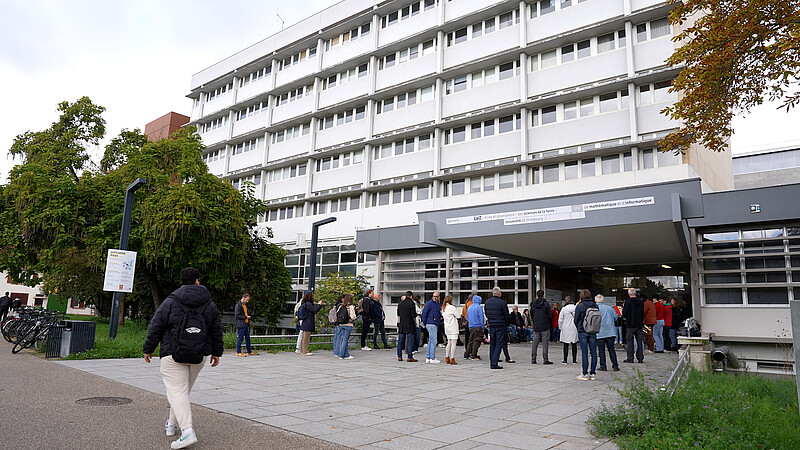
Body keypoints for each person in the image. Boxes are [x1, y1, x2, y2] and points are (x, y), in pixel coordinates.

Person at [143, 267, 224, 449]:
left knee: (177, 391)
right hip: (200, 353)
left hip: (172, 352)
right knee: (182, 392)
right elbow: (216, 329)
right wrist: (216, 352)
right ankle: (171, 424)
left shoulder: (171, 301)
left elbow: (156, 325)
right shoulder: (209, 303)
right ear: (197, 281)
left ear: (182, 281)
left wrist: (149, 348)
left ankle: (187, 431)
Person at [574, 289, 598, 381]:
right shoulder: (595, 305)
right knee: (593, 352)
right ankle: (592, 373)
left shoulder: (580, 306)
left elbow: (576, 319)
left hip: (582, 331)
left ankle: (584, 373)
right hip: (592, 331)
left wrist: (579, 327)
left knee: (584, 352)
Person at [484, 287, 510, 369]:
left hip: (491, 325)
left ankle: (492, 360)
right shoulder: (502, 303)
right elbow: (506, 315)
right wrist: (506, 323)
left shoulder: (487, 302)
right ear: (499, 293)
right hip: (501, 325)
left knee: (493, 343)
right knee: (499, 343)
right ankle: (494, 363)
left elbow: (486, 313)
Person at [595, 294, 620, 372]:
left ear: (595, 300)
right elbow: (616, 317)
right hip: (610, 332)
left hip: (600, 332)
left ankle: (603, 366)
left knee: (601, 350)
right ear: (603, 300)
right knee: (611, 349)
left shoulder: (595, 309)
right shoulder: (610, 308)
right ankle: (615, 365)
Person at [622, 288, 645, 363]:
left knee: (630, 341)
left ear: (629, 294)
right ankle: (640, 357)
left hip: (630, 324)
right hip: (639, 324)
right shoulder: (641, 302)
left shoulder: (628, 302)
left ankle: (630, 357)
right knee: (639, 341)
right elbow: (642, 313)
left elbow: (624, 313)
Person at [530, 290, 553, 365]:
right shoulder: (546, 304)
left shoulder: (533, 304)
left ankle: (533, 359)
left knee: (535, 342)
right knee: (545, 343)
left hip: (536, 325)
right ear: (543, 295)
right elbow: (550, 315)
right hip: (545, 325)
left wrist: (535, 321)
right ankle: (545, 359)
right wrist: (549, 322)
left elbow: (532, 314)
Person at [298, 290, 323, 355]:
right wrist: (319, 305)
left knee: (304, 337)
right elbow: (314, 310)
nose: (313, 297)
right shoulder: (308, 304)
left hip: (305, 322)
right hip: (308, 322)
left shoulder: (305, 303)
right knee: (306, 338)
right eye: (312, 296)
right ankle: (305, 351)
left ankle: (302, 350)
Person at [396, 291, 418, 362]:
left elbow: (398, 313)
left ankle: (399, 356)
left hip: (402, 324)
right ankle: (409, 356)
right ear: (411, 296)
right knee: (410, 341)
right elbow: (413, 315)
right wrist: (417, 314)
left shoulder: (400, 303)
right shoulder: (411, 303)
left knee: (400, 341)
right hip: (410, 324)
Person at [334, 294, 357, 360]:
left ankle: (346, 355)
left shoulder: (341, 306)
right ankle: (341, 355)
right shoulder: (351, 306)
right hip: (348, 325)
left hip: (341, 324)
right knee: (345, 340)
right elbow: (353, 316)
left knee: (343, 340)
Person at [421, 292, 442, 363]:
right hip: (431, 323)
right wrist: (425, 322)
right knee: (434, 341)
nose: (435, 298)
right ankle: (432, 358)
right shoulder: (429, 303)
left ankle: (428, 357)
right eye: (434, 296)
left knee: (431, 340)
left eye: (436, 296)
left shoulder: (438, 304)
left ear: (438, 297)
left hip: (434, 323)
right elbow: (424, 313)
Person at [442, 295, 461, 364]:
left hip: (447, 327)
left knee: (448, 343)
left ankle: (447, 357)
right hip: (453, 327)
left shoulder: (443, 308)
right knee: (453, 344)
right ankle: (452, 358)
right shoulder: (452, 307)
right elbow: (458, 316)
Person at [559, 296, 578, 364]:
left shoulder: (564, 309)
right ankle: (574, 360)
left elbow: (560, 320)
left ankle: (565, 359)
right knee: (574, 344)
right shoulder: (576, 308)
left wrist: (560, 327)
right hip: (574, 327)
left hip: (565, 327)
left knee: (565, 344)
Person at [465, 295, 484, 360]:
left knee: (470, 341)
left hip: (471, 327)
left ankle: (467, 354)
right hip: (478, 326)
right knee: (477, 341)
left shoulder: (469, 307)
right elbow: (481, 318)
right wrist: (483, 327)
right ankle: (474, 355)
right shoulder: (479, 307)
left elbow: (467, 317)